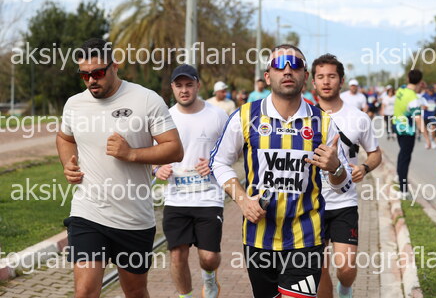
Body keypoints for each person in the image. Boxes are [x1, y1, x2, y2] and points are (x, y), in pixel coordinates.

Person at [209, 44, 352, 298]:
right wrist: (242, 200)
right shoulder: (246, 116)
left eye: (295, 65)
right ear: (268, 76)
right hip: (258, 236)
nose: (287, 70)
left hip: (306, 237)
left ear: (305, 76)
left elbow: (343, 184)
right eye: (279, 65)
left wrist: (336, 167)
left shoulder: (322, 122)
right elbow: (218, 162)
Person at [56, 38, 184, 298]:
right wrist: (68, 163)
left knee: (135, 292)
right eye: (84, 75)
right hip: (88, 212)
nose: (91, 80)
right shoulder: (74, 104)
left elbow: (175, 149)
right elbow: (64, 138)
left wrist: (131, 153)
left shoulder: (146, 100)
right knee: (84, 291)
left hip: (133, 219)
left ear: (115, 66)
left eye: (98, 73)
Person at [154, 65, 229, 298]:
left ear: (198, 85)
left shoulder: (217, 115)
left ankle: (209, 278)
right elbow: (153, 152)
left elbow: (233, 149)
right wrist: (157, 168)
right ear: (172, 88)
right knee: (177, 254)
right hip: (176, 198)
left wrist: (214, 163)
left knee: (209, 257)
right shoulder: (165, 117)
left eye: (189, 85)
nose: (184, 90)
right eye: (179, 86)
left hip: (209, 196)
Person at [310, 54, 381, 298]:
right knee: (319, 269)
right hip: (311, 204)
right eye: (320, 77)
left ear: (341, 81)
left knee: (346, 268)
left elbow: (375, 153)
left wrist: (365, 167)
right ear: (313, 82)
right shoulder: (303, 117)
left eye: (331, 76)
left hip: (344, 202)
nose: (326, 81)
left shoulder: (358, 118)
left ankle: (346, 289)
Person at [393, 70, 430, 197]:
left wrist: (419, 85)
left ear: (408, 78)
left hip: (397, 126)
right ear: (420, 81)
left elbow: (409, 85)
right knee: (405, 158)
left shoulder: (401, 89)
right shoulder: (414, 99)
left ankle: (399, 176)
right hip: (407, 131)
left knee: (402, 155)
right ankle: (403, 191)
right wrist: (427, 139)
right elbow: (418, 119)